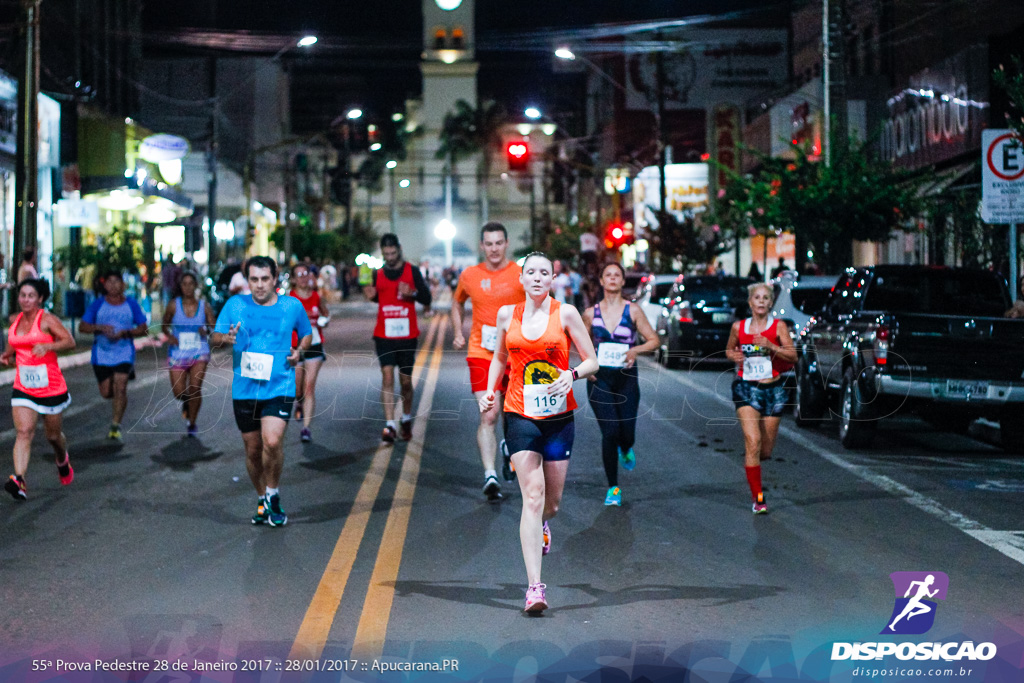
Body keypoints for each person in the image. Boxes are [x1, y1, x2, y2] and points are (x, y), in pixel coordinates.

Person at [479, 251, 598, 613]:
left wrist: (571, 375)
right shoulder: (506, 315)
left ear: (552, 278)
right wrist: (489, 391)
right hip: (520, 413)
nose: (535, 278)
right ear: (521, 277)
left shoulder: (566, 313)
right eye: (529, 272)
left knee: (552, 504)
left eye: (543, 273)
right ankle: (534, 588)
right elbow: (500, 357)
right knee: (532, 496)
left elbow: (592, 361)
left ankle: (544, 525)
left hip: (559, 417)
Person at [211, 256, 312, 527]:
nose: (259, 285)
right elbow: (215, 338)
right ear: (247, 280)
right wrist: (226, 338)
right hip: (245, 390)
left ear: (275, 278)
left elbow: (306, 333)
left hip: (280, 385)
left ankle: (273, 493)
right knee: (253, 450)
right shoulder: (235, 305)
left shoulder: (292, 306)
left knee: (272, 441)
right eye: (253, 279)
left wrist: (299, 351)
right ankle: (261, 497)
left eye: (264, 279)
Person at [451, 222, 525, 502]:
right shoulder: (470, 275)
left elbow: (542, 303)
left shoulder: (521, 273)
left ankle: (508, 447)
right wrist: (458, 331)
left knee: (514, 415)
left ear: (507, 244)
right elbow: (456, 302)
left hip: (517, 354)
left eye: (498, 243)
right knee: (489, 413)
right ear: (482, 246)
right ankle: (490, 475)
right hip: (482, 353)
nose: (494, 248)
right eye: (489, 243)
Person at [582, 263, 660, 506]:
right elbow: (580, 343)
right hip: (600, 379)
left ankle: (626, 447)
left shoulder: (633, 311)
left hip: (626, 380)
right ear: (602, 282)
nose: (613, 278)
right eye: (608, 275)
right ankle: (613, 488)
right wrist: (587, 366)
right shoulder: (589, 313)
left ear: (623, 281)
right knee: (610, 432)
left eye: (617, 275)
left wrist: (635, 350)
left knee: (626, 435)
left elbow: (654, 340)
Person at [724, 282, 797, 514]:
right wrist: (734, 355)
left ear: (771, 303)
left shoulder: (778, 327)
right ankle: (758, 498)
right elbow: (728, 350)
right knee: (753, 441)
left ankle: (753, 459)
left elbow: (793, 356)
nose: (762, 301)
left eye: (766, 298)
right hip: (746, 388)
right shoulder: (739, 327)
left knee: (764, 451)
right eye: (757, 298)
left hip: (773, 390)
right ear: (750, 302)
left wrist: (770, 345)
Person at [2, 279, 76, 500]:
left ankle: (62, 459)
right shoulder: (15, 320)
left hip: (50, 386)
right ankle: (19, 480)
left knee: (52, 436)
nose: (25, 299)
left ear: (40, 298)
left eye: (31, 295)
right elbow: (13, 342)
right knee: (24, 432)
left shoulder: (47, 320)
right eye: (22, 295)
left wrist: (49, 345)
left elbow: (69, 341)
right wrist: (6, 355)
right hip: (23, 386)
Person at [364, 233, 432, 443]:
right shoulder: (377, 273)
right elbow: (377, 296)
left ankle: (406, 418)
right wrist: (371, 294)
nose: (390, 257)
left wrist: (412, 292)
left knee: (405, 382)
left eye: (393, 253)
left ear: (399, 249)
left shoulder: (412, 271)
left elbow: (427, 298)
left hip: (406, 336)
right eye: (386, 254)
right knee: (386, 377)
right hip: (384, 335)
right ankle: (389, 425)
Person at [79, 271, 149, 441]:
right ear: (104, 285)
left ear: (123, 285)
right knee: (106, 392)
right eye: (109, 281)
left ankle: (115, 425)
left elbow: (143, 328)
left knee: (121, 385)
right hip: (101, 354)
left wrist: (126, 332)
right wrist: (100, 328)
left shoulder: (131, 304)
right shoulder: (97, 305)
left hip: (124, 352)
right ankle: (120, 399)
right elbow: (83, 326)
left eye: (116, 281)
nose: (113, 285)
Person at [162, 272, 216, 437]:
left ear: (195, 285)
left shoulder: (204, 306)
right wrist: (169, 336)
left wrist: (205, 330)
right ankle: (187, 402)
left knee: (194, 388)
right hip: (178, 352)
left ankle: (192, 422)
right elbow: (165, 325)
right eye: (184, 283)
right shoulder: (173, 305)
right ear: (180, 286)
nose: (187, 287)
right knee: (178, 392)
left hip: (199, 351)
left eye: (190, 283)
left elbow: (213, 326)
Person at [290, 264, 328, 443]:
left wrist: (323, 320)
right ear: (293, 279)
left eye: (305, 274)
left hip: (314, 344)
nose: (303, 278)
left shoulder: (316, 297)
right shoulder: (288, 299)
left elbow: (326, 315)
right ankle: (299, 401)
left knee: (309, 386)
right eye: (299, 275)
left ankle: (306, 428)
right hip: (295, 347)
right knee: (298, 388)